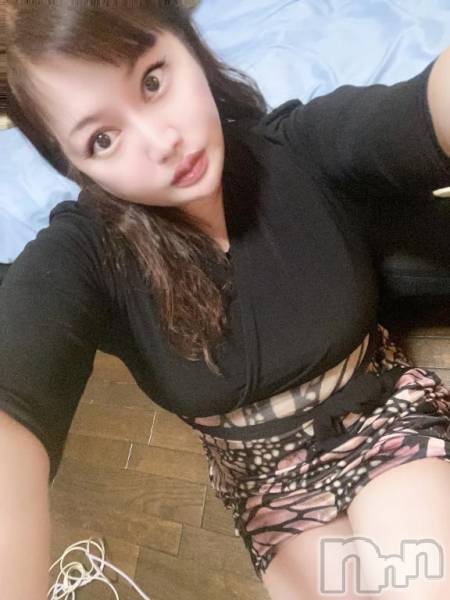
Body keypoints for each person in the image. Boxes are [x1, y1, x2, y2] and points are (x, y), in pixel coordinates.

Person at [4, 1, 450, 599]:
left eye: (153, 81)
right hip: (264, 480)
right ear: (75, 166)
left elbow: (422, 110)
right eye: (102, 139)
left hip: (376, 418)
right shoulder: (86, 253)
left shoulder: (297, 146)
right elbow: (13, 392)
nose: (162, 142)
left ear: (188, 45)